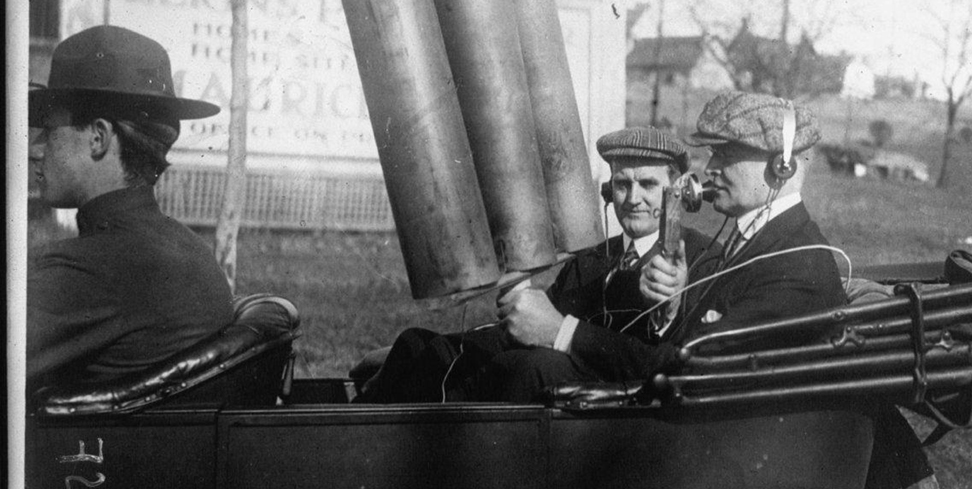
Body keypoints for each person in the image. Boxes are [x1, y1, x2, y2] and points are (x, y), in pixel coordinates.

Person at [480, 90, 847, 402]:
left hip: (716, 439)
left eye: (727, 155)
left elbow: (685, 367)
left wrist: (561, 332)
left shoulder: (799, 266)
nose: (711, 168)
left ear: (781, 166)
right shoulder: (760, 242)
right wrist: (672, 308)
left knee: (530, 371)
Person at [355, 127, 708, 402]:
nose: (633, 199)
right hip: (552, 370)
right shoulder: (593, 259)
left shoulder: (701, 257)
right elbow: (536, 323)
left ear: (676, 187)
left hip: (612, 397)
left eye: (647, 184)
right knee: (419, 344)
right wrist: (518, 305)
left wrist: (558, 330)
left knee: (519, 367)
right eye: (621, 184)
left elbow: (668, 358)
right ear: (607, 190)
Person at [27, 25, 234, 388]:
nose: (35, 148)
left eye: (49, 129)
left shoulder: (89, 271)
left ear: (98, 137)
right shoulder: (186, 248)